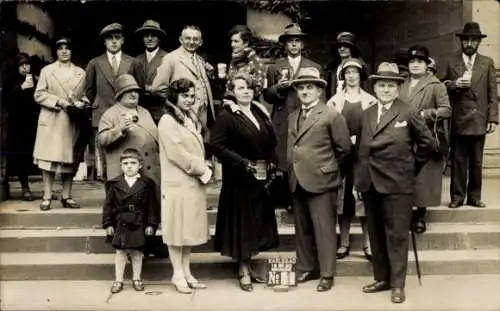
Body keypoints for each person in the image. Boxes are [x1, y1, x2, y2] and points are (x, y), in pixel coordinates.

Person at [355, 62, 436, 303]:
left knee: (397, 235)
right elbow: (361, 149)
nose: (386, 89)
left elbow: (428, 144)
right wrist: (359, 181)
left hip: (398, 185)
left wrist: (410, 169)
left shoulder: (408, 111)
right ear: (375, 88)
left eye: (391, 85)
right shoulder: (367, 113)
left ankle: (398, 285)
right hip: (370, 184)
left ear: (397, 88)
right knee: (376, 233)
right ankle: (382, 278)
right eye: (381, 85)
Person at [210, 73, 279, 292]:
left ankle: (250, 263)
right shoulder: (227, 115)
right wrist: (242, 163)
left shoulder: (259, 110)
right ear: (233, 91)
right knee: (242, 222)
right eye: (240, 88)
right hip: (238, 177)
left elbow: (271, 141)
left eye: (249, 87)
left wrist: (272, 161)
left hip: (259, 176)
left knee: (256, 220)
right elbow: (217, 146)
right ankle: (243, 269)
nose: (246, 91)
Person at [288, 67, 351, 292]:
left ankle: (326, 273)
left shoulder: (331, 115)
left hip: (322, 181)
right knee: (302, 228)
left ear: (319, 91)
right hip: (298, 179)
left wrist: (331, 171)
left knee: (324, 229)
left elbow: (344, 149)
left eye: (309, 87)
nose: (305, 92)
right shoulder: (293, 116)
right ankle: (306, 267)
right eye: (301, 88)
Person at [158, 78, 212, 294]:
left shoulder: (189, 118)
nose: (189, 100)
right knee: (176, 231)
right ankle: (177, 274)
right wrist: (203, 168)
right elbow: (176, 153)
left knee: (187, 230)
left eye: (192, 96)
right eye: (184, 96)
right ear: (174, 97)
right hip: (177, 183)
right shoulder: (167, 121)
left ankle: (187, 272)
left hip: (191, 183)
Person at [263, 23, 323, 210]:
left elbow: (321, 94)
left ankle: (303, 194)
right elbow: (267, 95)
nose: (294, 45)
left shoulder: (314, 67)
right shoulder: (275, 68)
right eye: (291, 42)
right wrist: (277, 88)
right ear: (285, 45)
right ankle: (288, 197)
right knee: (285, 157)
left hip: (305, 115)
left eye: (297, 41)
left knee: (305, 154)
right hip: (284, 116)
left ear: (302, 45)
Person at [441, 22, 498, 209]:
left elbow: (492, 93)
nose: (470, 43)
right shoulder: (451, 61)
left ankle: (474, 196)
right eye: (467, 40)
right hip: (459, 119)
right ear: (462, 41)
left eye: (474, 40)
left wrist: (492, 118)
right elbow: (442, 86)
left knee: (476, 161)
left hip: (479, 118)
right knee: (458, 160)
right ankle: (457, 197)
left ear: (478, 43)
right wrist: (455, 84)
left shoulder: (487, 62)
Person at [326, 58, 376, 260]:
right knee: (344, 201)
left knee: (364, 199)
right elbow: (328, 128)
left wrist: (362, 140)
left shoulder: (371, 100)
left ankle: (368, 243)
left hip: (364, 157)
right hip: (342, 157)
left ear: (361, 75)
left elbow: (376, 127)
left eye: (355, 72)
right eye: (347, 73)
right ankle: (344, 242)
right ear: (343, 76)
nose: (351, 76)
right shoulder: (334, 101)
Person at [399, 45, 452, 233]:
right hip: (403, 136)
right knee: (405, 176)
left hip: (424, 137)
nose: (415, 65)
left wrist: (426, 113)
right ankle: (405, 213)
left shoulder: (435, 84)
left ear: (426, 64)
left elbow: (446, 109)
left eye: (419, 61)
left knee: (423, 178)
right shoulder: (401, 84)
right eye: (411, 61)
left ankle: (420, 215)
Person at [33, 37, 87, 211]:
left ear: (72, 51)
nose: (64, 51)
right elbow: (39, 94)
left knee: (69, 160)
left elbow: (86, 95)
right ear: (56, 51)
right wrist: (59, 102)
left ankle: (67, 196)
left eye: (67, 48)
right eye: (60, 48)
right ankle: (47, 196)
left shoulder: (81, 72)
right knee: (48, 160)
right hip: (52, 119)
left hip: (71, 121)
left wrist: (81, 103)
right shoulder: (47, 71)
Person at [102, 148, 159, 294]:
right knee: (120, 252)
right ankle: (118, 280)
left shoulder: (147, 184)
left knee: (138, 251)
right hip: (121, 221)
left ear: (140, 165)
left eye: (133, 163)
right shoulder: (114, 184)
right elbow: (108, 205)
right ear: (121, 166)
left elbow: (153, 205)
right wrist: (107, 223)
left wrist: (152, 224)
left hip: (139, 221)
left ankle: (137, 278)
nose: (129, 166)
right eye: (125, 163)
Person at [84, 23, 134, 181]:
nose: (114, 41)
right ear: (104, 42)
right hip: (102, 115)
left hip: (126, 116)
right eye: (109, 38)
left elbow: (136, 90)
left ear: (123, 40)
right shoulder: (95, 63)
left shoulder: (132, 62)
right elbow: (89, 90)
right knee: (105, 159)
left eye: (117, 38)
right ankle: (109, 195)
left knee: (127, 156)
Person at [97, 74, 160, 186]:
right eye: (128, 91)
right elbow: (101, 140)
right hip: (126, 174)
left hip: (150, 173)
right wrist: (119, 129)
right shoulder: (110, 114)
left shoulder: (144, 112)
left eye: (135, 91)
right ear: (120, 94)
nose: (133, 94)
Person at [152, 25, 215, 131]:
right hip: (183, 117)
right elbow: (157, 89)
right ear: (180, 39)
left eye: (195, 39)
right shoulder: (171, 58)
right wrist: (175, 107)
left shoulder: (200, 59)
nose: (191, 42)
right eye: (188, 38)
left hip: (203, 117)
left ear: (201, 42)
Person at [4, 53, 39, 201]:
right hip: (17, 125)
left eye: (27, 64)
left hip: (32, 123)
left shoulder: (35, 80)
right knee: (19, 157)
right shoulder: (9, 80)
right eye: (22, 65)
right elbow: (6, 100)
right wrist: (21, 88)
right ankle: (24, 187)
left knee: (35, 156)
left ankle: (44, 191)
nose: (25, 67)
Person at [129, 20, 168, 124]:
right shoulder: (135, 60)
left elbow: (172, 86)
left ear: (159, 38)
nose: (149, 38)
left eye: (153, 35)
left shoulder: (168, 58)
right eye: (146, 35)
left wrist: (153, 88)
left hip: (161, 113)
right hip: (140, 112)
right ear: (142, 38)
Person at [226, 25, 267, 98]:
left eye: (236, 41)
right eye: (231, 41)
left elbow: (257, 90)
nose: (232, 44)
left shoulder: (256, 61)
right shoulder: (234, 60)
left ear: (246, 43)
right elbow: (229, 85)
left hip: (249, 105)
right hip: (232, 104)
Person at [326, 32, 362, 99]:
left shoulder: (359, 67)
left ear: (352, 48)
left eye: (346, 46)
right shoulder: (333, 68)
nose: (342, 49)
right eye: (339, 46)